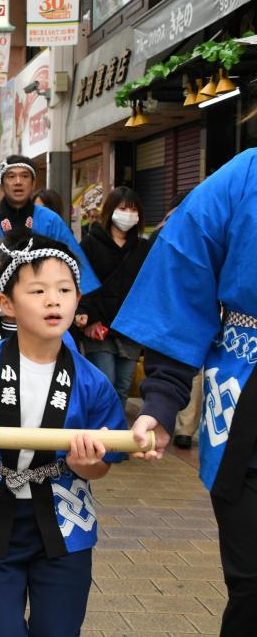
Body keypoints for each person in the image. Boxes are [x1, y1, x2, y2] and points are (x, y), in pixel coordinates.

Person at [0, 234, 127, 637]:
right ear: (7, 304)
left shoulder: (92, 381)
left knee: (58, 630)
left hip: (63, 522)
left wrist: (90, 466)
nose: (53, 301)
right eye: (37, 291)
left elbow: (106, 461)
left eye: (65, 290)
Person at [111, 148, 257, 634]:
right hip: (247, 415)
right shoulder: (242, 177)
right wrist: (162, 399)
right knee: (253, 585)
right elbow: (181, 280)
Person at [0, 155, 100, 294]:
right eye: (11, 176)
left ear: (33, 183)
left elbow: (75, 264)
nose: (18, 182)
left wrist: (83, 307)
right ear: (1, 184)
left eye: (25, 176)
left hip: (41, 300)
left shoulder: (50, 220)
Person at [74, 186, 149, 408]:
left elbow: (146, 286)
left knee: (124, 384)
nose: (128, 214)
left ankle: (115, 432)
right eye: (122, 208)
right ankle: (101, 432)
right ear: (110, 211)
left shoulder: (143, 247)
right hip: (98, 325)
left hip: (129, 327)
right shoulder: (90, 243)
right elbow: (81, 280)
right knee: (105, 380)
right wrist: (83, 312)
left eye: (133, 209)